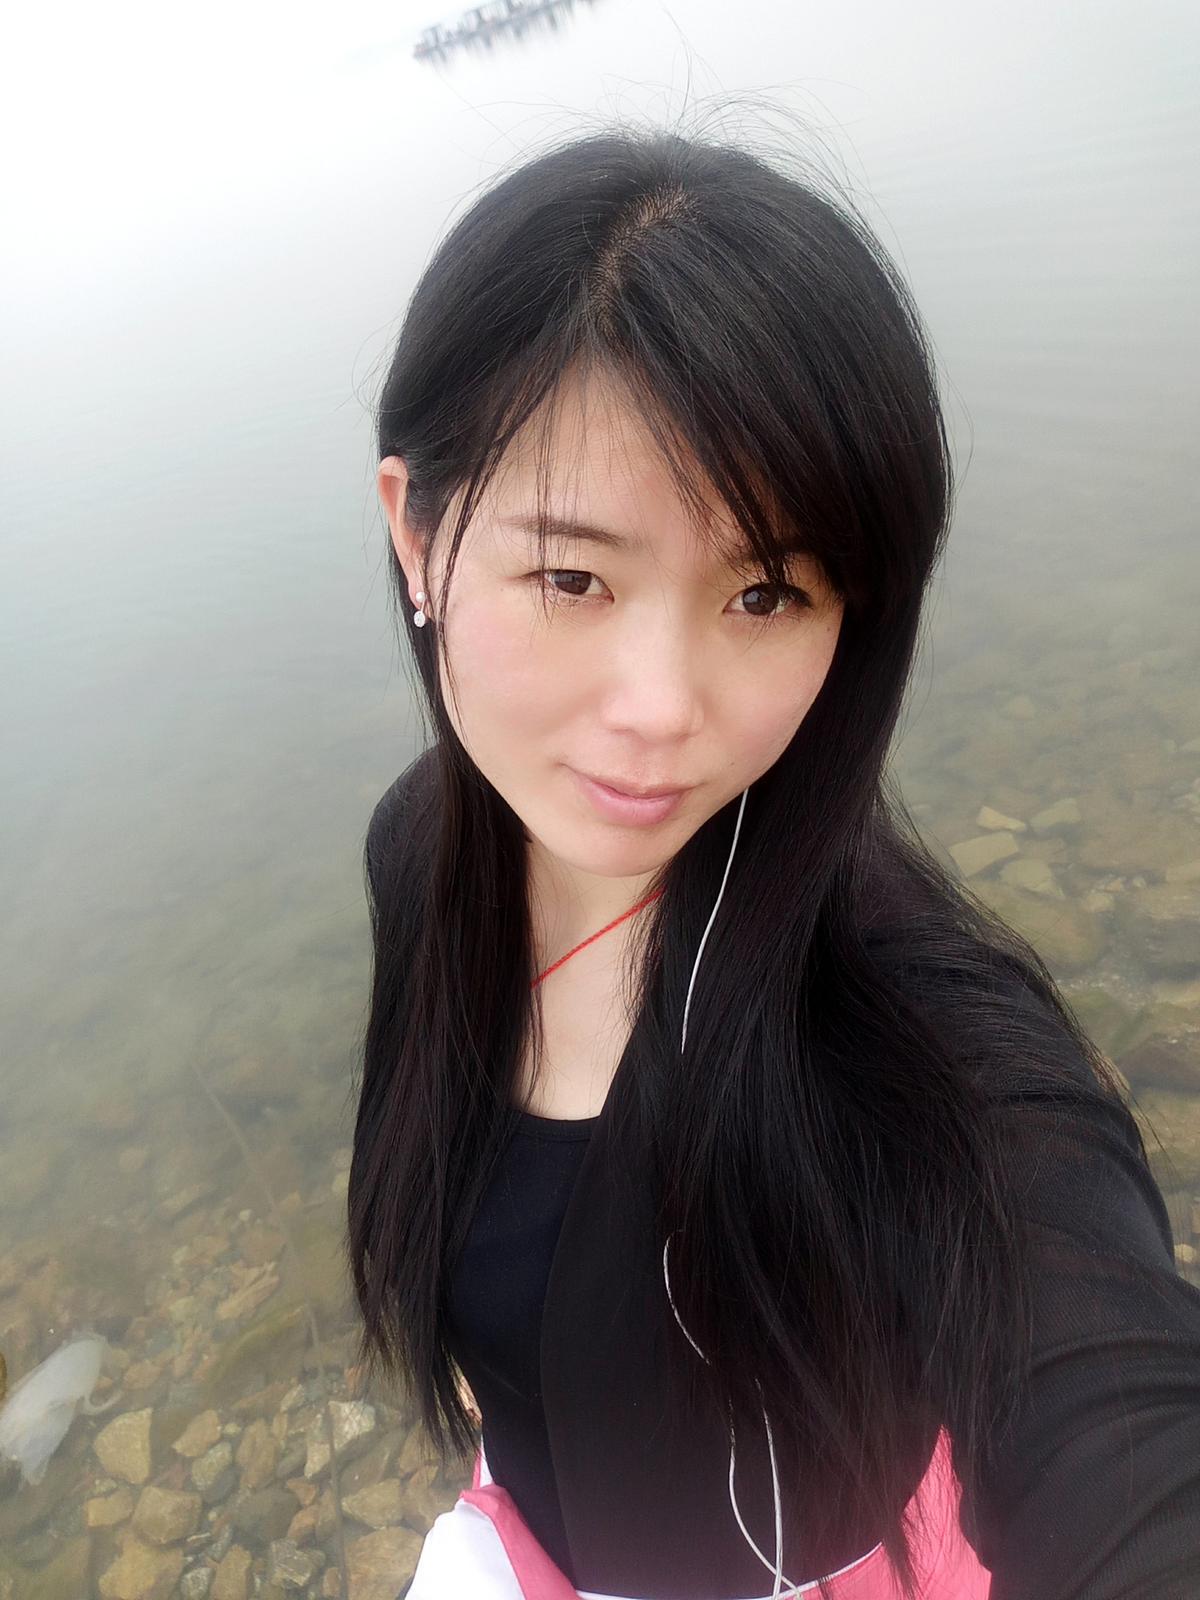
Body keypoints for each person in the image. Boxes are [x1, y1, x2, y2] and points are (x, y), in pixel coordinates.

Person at [347, 120, 1200, 1599]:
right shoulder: (423, 844)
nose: (662, 711)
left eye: (765, 593)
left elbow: (1106, 1400)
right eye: (572, 575)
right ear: (416, 537)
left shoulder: (904, 1008)